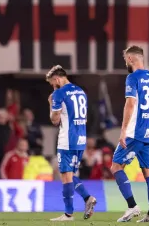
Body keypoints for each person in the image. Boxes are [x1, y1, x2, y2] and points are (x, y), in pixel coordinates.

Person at [111, 45, 149, 223]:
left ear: (131, 59)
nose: (125, 62)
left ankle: (132, 206)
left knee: (116, 166)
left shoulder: (132, 78)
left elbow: (131, 104)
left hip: (135, 132)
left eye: (126, 59)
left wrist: (123, 130)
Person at [47, 65, 96, 221]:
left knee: (65, 176)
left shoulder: (59, 93)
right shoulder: (81, 92)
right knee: (70, 174)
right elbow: (85, 118)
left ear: (56, 79)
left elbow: (55, 120)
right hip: (81, 138)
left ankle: (69, 214)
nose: (53, 87)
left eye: (52, 84)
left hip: (67, 139)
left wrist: (50, 103)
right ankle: (87, 198)